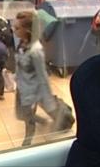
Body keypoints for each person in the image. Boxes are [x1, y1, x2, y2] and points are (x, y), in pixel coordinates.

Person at [13, 11, 59, 146]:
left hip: (31, 92)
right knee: (20, 115)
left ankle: (26, 144)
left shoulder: (36, 50)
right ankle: (43, 121)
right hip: (21, 88)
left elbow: (43, 77)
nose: (13, 30)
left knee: (28, 120)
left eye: (17, 28)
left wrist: (48, 101)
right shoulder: (22, 44)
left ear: (27, 30)